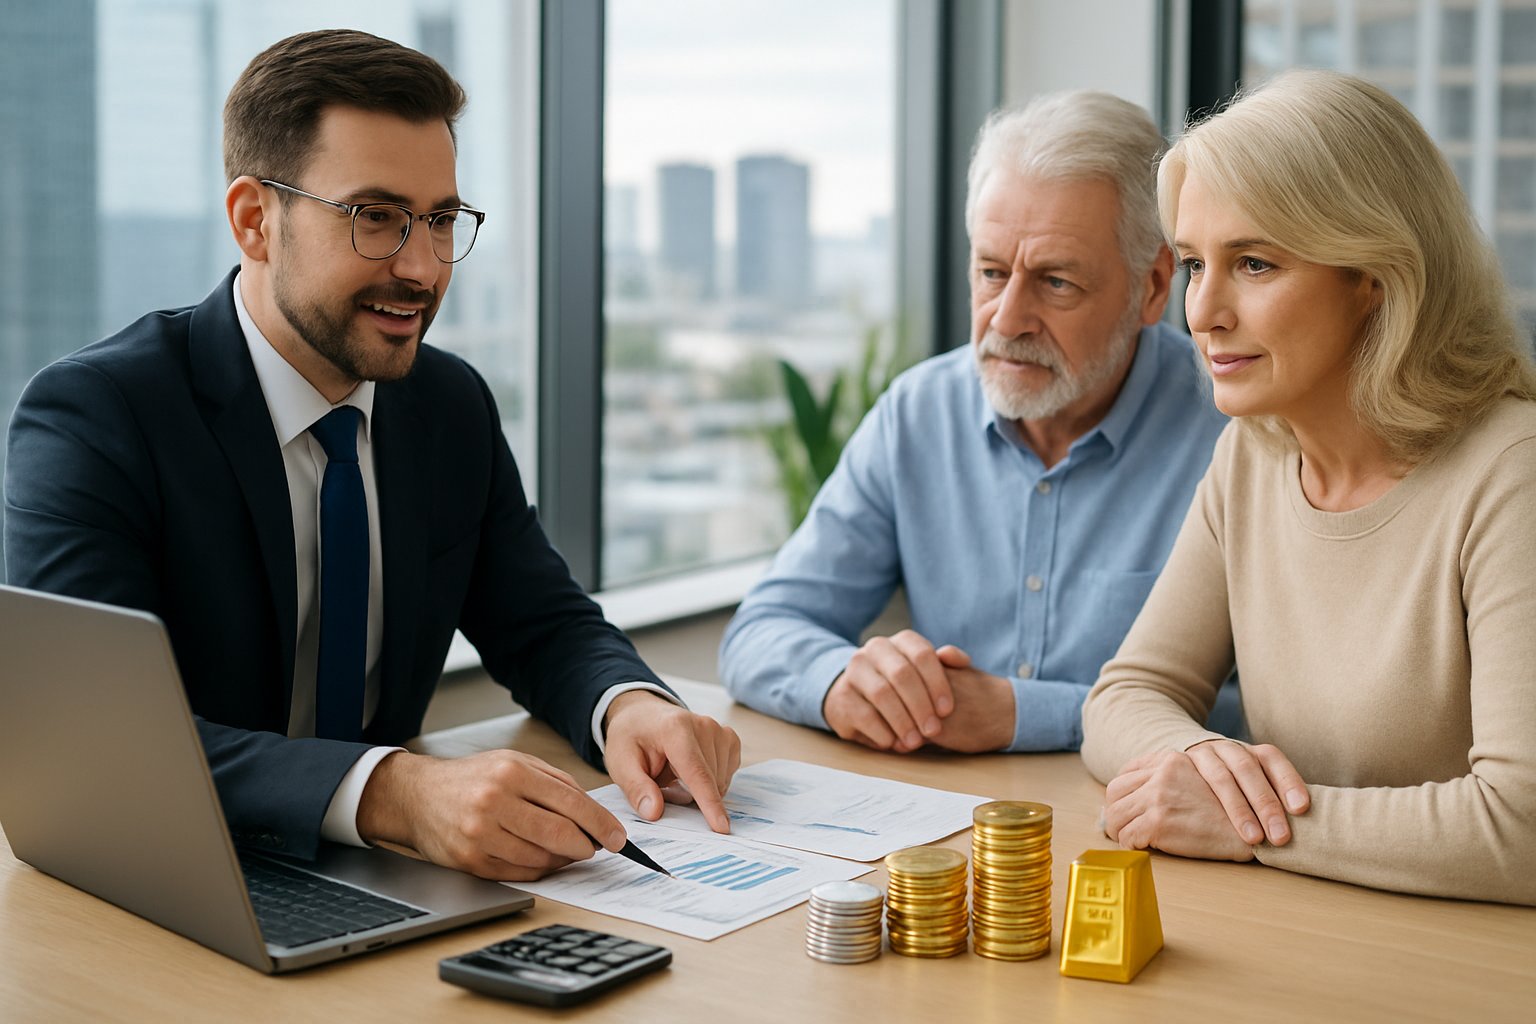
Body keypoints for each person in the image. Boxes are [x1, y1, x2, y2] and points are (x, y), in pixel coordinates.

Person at [3, 29, 740, 883]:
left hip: (379, 883)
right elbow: (92, 739)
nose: (422, 269)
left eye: (438, 220)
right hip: (169, 883)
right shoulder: (97, 416)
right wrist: (396, 793)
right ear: (255, 220)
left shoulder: (447, 403)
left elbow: (540, 620)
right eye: (375, 218)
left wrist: (627, 705)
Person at [1081, 69, 1536, 906]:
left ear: (1375, 276)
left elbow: (1524, 827)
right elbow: (1127, 696)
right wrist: (1193, 761)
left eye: (1253, 263)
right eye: (1192, 264)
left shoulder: (1513, 474)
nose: (1203, 311)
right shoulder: (1250, 456)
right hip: (1297, 936)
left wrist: (1254, 827)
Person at [720, 91, 1231, 754]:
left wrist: (1024, 714)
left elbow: (1269, 716)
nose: (1007, 320)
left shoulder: (1234, 436)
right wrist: (844, 680)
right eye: (991, 272)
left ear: (1154, 287)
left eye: (1055, 282)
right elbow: (762, 630)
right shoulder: (917, 414)